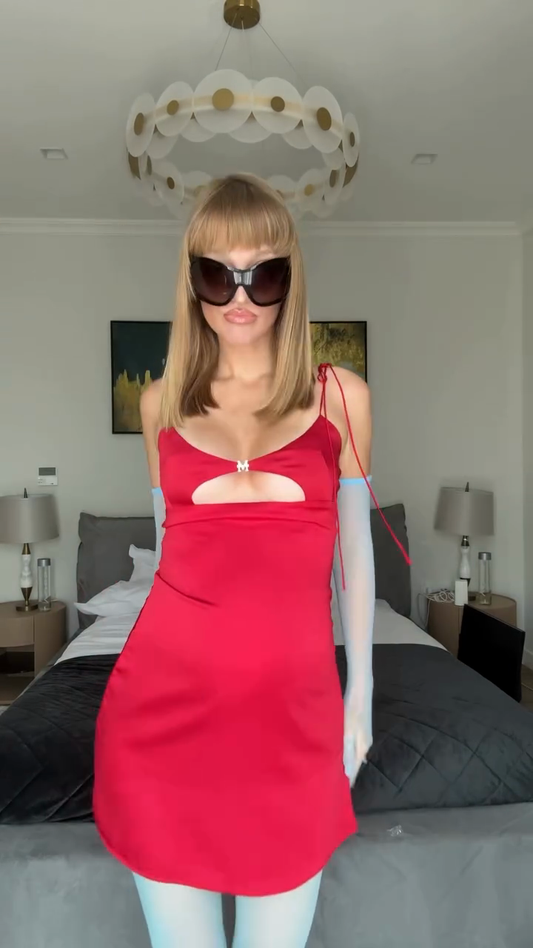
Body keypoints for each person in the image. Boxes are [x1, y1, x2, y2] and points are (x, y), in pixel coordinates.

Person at [93, 173, 408, 948]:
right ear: (191, 281)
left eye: (261, 274)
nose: (239, 296)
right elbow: (170, 553)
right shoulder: (161, 404)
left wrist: (359, 696)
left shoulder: (340, 396)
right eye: (217, 274)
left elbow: (354, 556)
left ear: (289, 281)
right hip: (159, 718)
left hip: (292, 720)